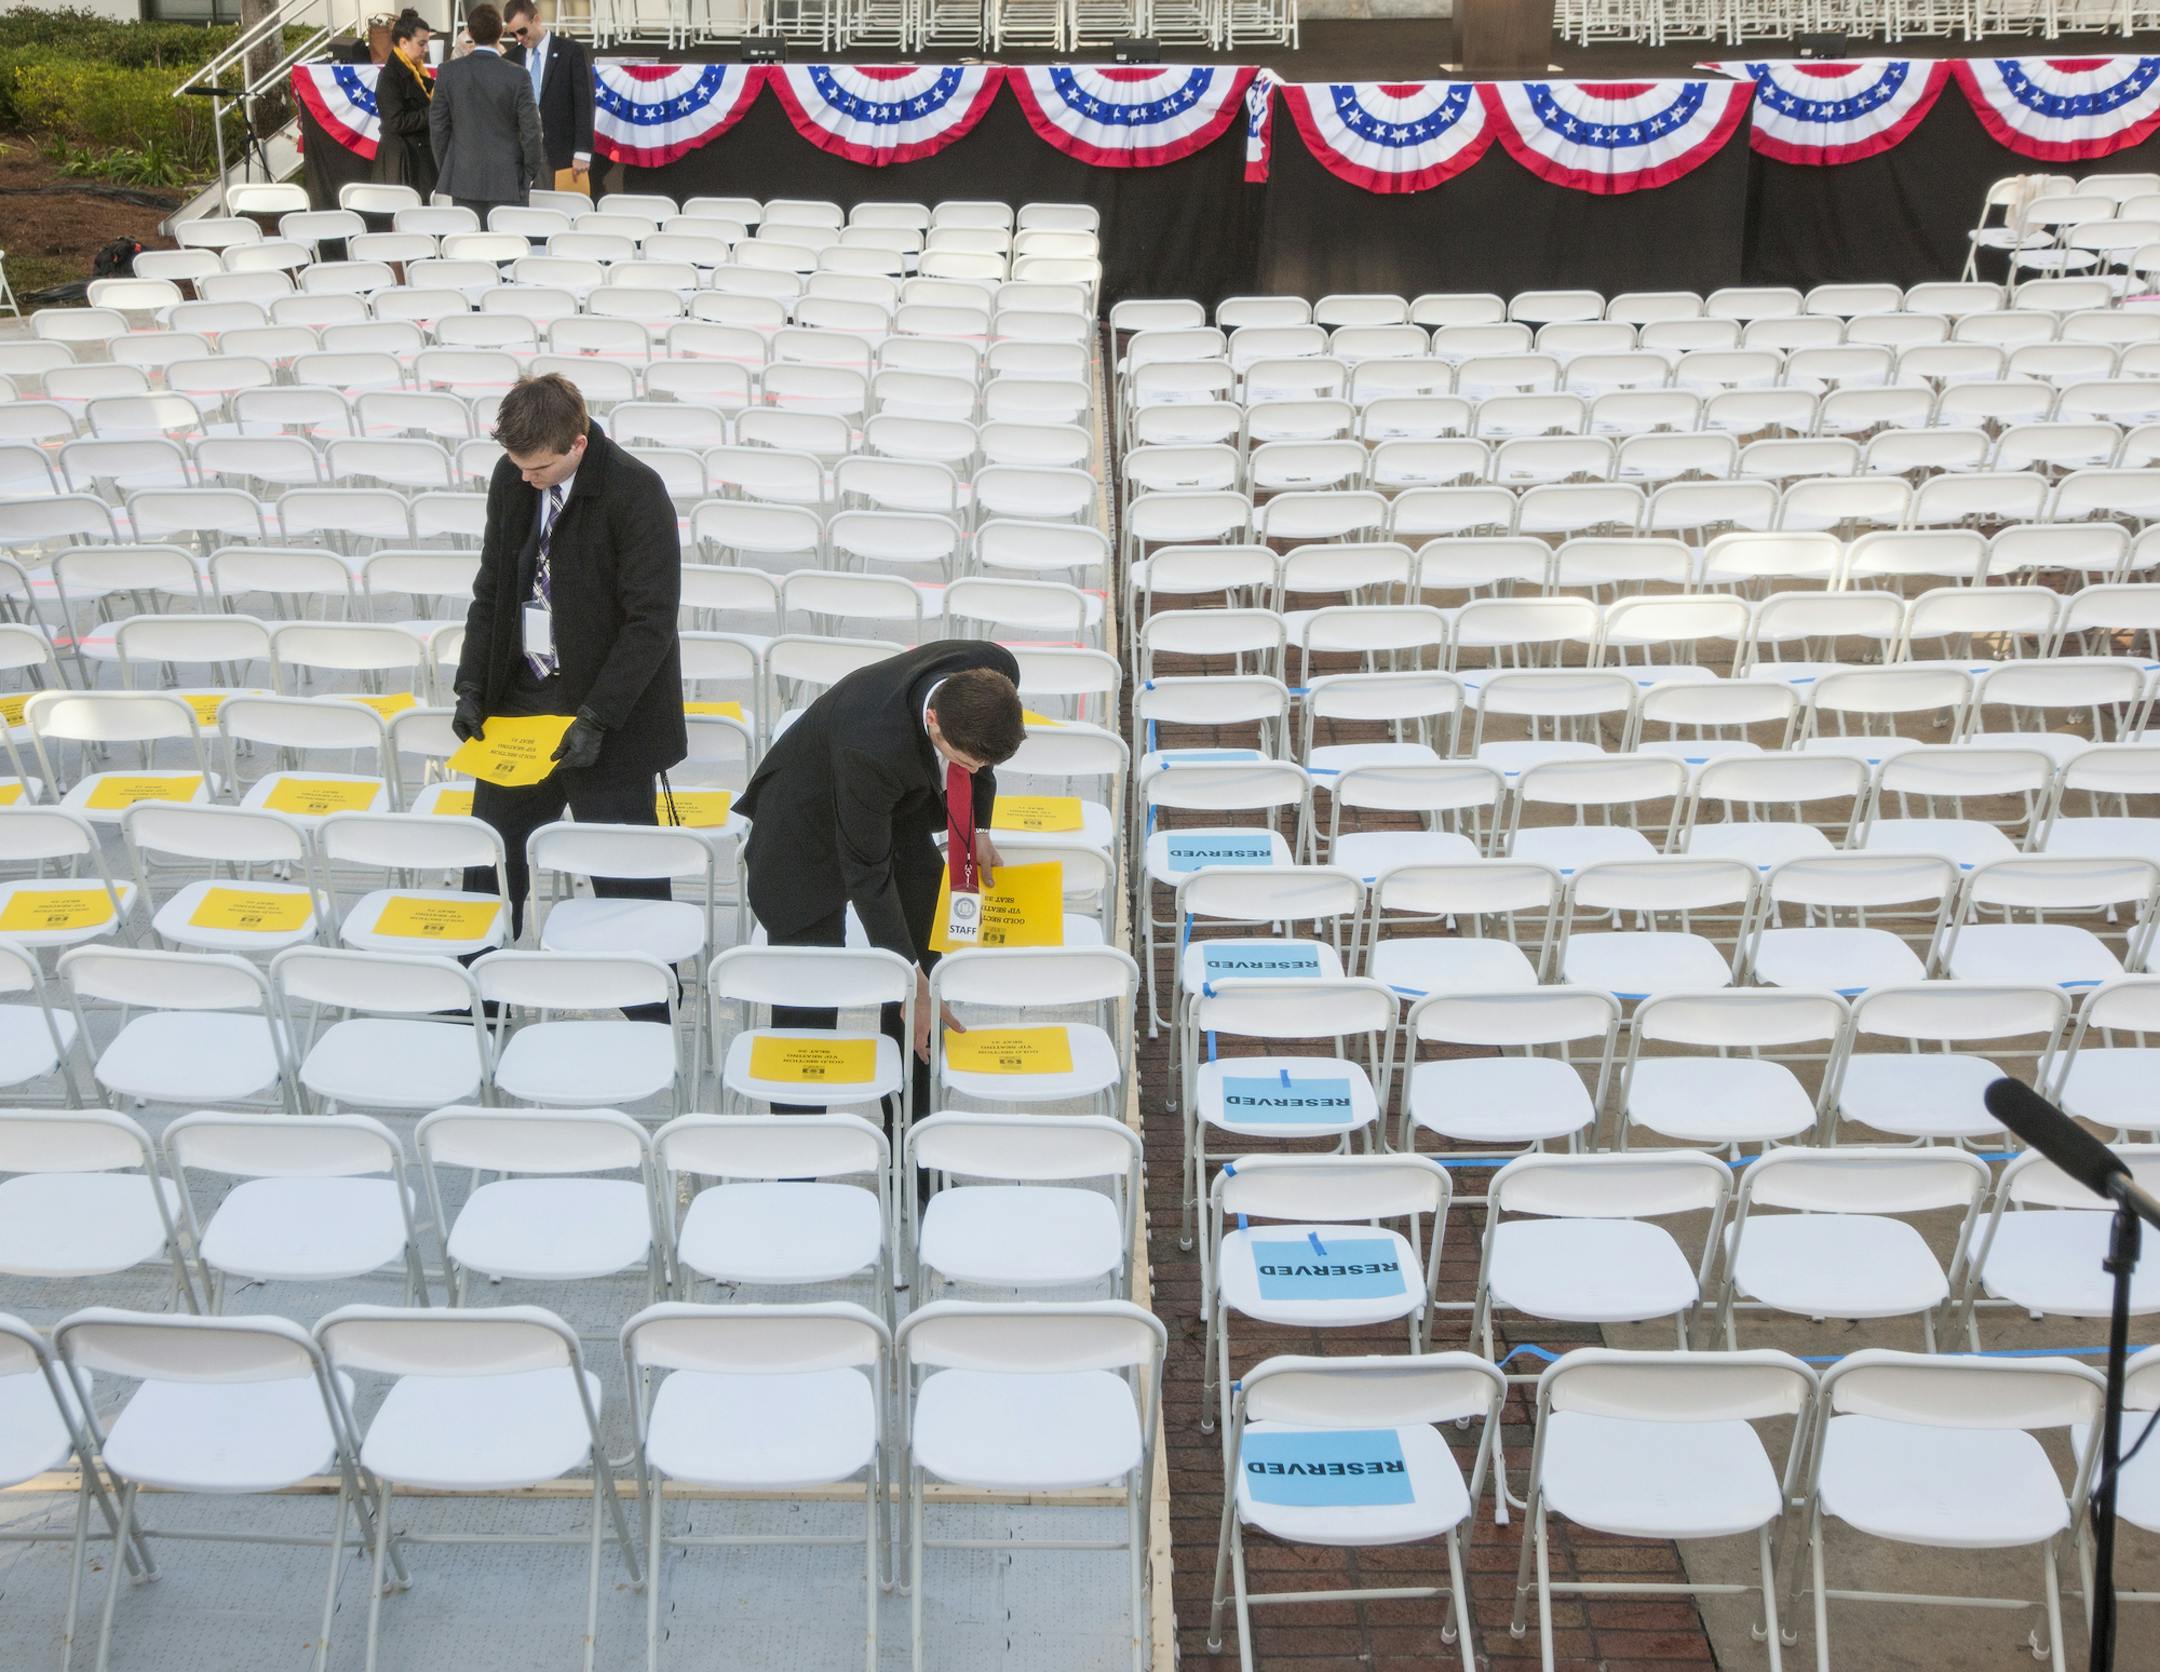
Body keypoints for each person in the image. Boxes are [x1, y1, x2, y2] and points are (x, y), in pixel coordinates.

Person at [451, 373, 686, 995]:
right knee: (492, 863)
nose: (527, 478)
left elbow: (651, 622)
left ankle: (650, 1000)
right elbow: (493, 589)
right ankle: (468, 1003)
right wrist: (471, 684)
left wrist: (598, 717)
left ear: (577, 444)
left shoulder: (637, 492)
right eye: (517, 465)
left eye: (540, 467)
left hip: (606, 710)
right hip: (522, 702)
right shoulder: (514, 479)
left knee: (625, 875)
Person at [737, 641, 1026, 1114]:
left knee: (923, 973)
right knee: (810, 994)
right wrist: (909, 981)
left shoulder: (995, 669)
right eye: (966, 761)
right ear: (934, 721)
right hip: (803, 831)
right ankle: (795, 1149)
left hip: (899, 811)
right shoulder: (870, 744)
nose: (975, 772)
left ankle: (911, 1141)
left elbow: (980, 761)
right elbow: (866, 871)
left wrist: (979, 827)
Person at [426, 2, 543, 223]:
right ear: (501, 32)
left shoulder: (449, 72)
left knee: (467, 251)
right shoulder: (517, 76)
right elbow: (532, 131)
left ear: (469, 33)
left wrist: (451, 167)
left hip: (463, 178)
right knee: (507, 252)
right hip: (508, 179)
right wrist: (529, 172)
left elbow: (438, 128)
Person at [501, 0, 593, 191]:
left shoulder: (572, 52)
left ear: (536, 19)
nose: (518, 38)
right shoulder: (510, 59)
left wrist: (582, 151)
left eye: (522, 31)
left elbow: (584, 104)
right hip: (522, 155)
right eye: (513, 34)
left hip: (561, 153)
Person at [369, 12, 437, 197]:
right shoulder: (390, 77)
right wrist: (433, 112)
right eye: (421, 44)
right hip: (402, 161)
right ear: (403, 42)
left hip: (419, 158)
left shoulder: (416, 71)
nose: (426, 49)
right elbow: (395, 122)